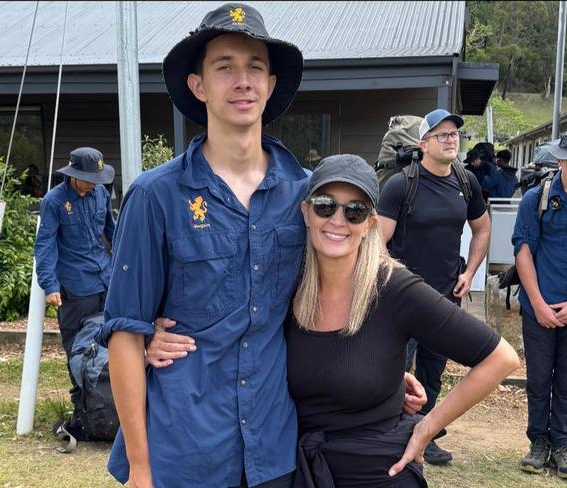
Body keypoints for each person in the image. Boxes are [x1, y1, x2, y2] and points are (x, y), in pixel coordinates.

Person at [100, 5, 425, 487]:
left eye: (255, 67)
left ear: (271, 85)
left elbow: (336, 292)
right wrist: (143, 471)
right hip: (185, 449)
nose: (242, 81)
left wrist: (378, 373)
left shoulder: (306, 196)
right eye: (224, 67)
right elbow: (124, 333)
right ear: (198, 86)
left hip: (275, 449)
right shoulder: (156, 196)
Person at [288, 154, 519, 486]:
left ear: (371, 222)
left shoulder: (394, 289)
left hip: (379, 471)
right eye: (325, 205)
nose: (338, 220)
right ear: (306, 212)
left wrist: (427, 427)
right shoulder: (287, 287)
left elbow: (501, 358)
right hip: (303, 471)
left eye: (354, 210)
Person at [377, 108, 492, 464]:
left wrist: (470, 271)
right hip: (404, 299)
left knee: (432, 370)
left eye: (454, 134)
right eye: (442, 135)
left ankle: (425, 434)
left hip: (445, 297)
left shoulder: (465, 182)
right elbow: (377, 242)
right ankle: (388, 433)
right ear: (423, 143)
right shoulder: (401, 184)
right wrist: (394, 282)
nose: (450, 139)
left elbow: (483, 228)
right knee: (394, 369)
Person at [512, 128, 567, 480]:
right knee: (538, 378)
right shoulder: (536, 198)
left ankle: (563, 445)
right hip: (539, 307)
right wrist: (538, 303)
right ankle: (538, 443)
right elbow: (523, 251)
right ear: (560, 160)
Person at [34, 146, 116, 443]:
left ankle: (115, 407)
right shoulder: (54, 202)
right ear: (73, 177)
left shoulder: (101, 195)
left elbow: (112, 230)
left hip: (105, 281)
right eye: (88, 179)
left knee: (113, 345)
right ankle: (85, 411)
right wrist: (50, 285)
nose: (93, 184)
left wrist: (124, 267)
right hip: (75, 288)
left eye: (97, 179)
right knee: (78, 352)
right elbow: (45, 245)